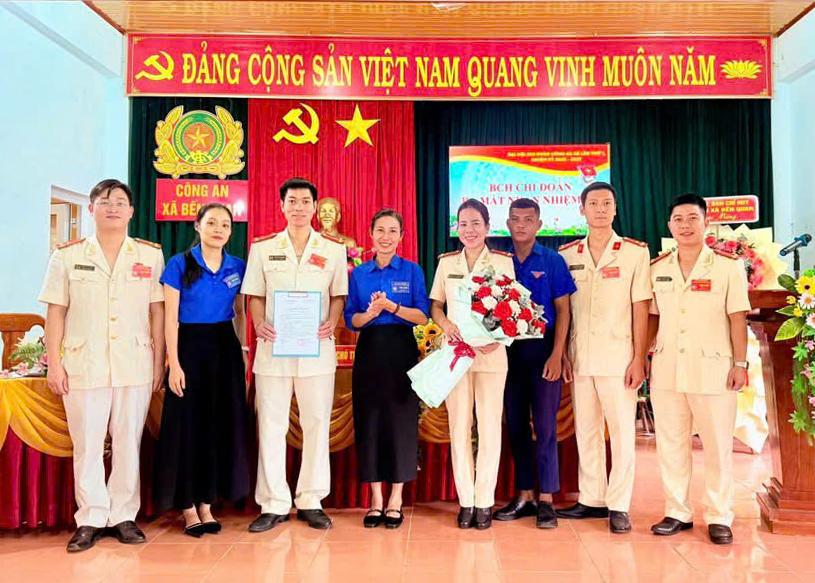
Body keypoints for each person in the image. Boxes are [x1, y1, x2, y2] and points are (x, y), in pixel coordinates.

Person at [39, 179, 165, 552]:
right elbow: (55, 312)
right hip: (84, 363)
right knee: (88, 443)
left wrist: (159, 361)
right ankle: (91, 517)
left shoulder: (149, 256)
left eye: (120, 201)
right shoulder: (67, 255)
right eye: (105, 201)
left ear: (131, 212)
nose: (113, 207)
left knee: (128, 441)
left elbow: (157, 312)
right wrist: (54, 364)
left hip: (134, 362)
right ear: (91, 208)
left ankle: (123, 515)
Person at [241, 178, 348, 531]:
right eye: (292, 201)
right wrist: (259, 323)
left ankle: (311, 499)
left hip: (316, 350)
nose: (299, 207)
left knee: (316, 423)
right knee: (271, 425)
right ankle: (273, 502)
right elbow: (254, 295)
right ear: (282, 206)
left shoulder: (332, 249)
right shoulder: (263, 248)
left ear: (315, 207)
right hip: (274, 349)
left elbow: (339, 296)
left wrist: (332, 321)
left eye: (305, 201)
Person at [647, 193, 750, 545]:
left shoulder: (727, 266)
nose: (685, 225)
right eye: (678, 219)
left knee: (717, 445)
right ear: (669, 225)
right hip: (667, 369)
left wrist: (740, 363)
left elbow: (738, 319)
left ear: (707, 222)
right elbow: (652, 318)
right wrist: (643, 355)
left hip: (713, 369)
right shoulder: (658, 267)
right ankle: (677, 511)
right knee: (671, 443)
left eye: (693, 218)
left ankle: (719, 515)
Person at [556, 182, 652, 533]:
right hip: (580, 357)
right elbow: (564, 310)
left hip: (618, 358)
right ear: (581, 209)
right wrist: (564, 353)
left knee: (623, 433)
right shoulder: (568, 255)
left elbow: (641, 308)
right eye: (593, 203)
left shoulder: (634, 253)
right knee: (587, 430)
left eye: (606, 203)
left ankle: (619, 504)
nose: (600, 209)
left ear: (615, 209)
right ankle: (592, 498)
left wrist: (639, 356)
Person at [154, 203, 250, 537]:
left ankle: (207, 503)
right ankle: (187, 506)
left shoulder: (237, 266)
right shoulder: (179, 264)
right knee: (188, 428)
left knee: (216, 426)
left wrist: (243, 352)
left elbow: (240, 313)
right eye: (211, 223)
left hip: (224, 350)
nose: (218, 229)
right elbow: (170, 319)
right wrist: (174, 363)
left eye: (225, 224)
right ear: (197, 226)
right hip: (189, 348)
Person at [429, 199, 515, 530]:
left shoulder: (503, 262)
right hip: (456, 353)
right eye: (463, 224)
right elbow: (436, 306)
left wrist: (500, 337)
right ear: (457, 228)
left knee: (490, 427)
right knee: (460, 426)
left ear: (488, 227)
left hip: (492, 354)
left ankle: (484, 501)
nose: (469, 230)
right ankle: (466, 500)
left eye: (476, 223)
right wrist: (445, 325)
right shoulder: (446, 263)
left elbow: (514, 308)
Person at [344, 209, 429, 529]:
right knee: (370, 422)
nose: (386, 237)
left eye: (393, 231)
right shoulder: (359, 274)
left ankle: (395, 500)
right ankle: (375, 501)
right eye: (380, 230)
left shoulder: (412, 270)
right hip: (369, 351)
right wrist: (370, 312)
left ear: (401, 236)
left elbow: (422, 316)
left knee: (400, 424)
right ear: (371, 234)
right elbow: (351, 320)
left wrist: (391, 306)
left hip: (402, 351)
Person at [493, 198, 576, 529]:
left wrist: (557, 353)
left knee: (545, 427)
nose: (521, 225)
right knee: (515, 425)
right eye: (515, 219)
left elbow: (564, 310)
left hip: (543, 352)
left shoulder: (552, 260)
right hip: (508, 353)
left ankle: (547, 500)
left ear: (539, 225)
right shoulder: (500, 262)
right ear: (507, 224)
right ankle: (525, 494)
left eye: (528, 220)